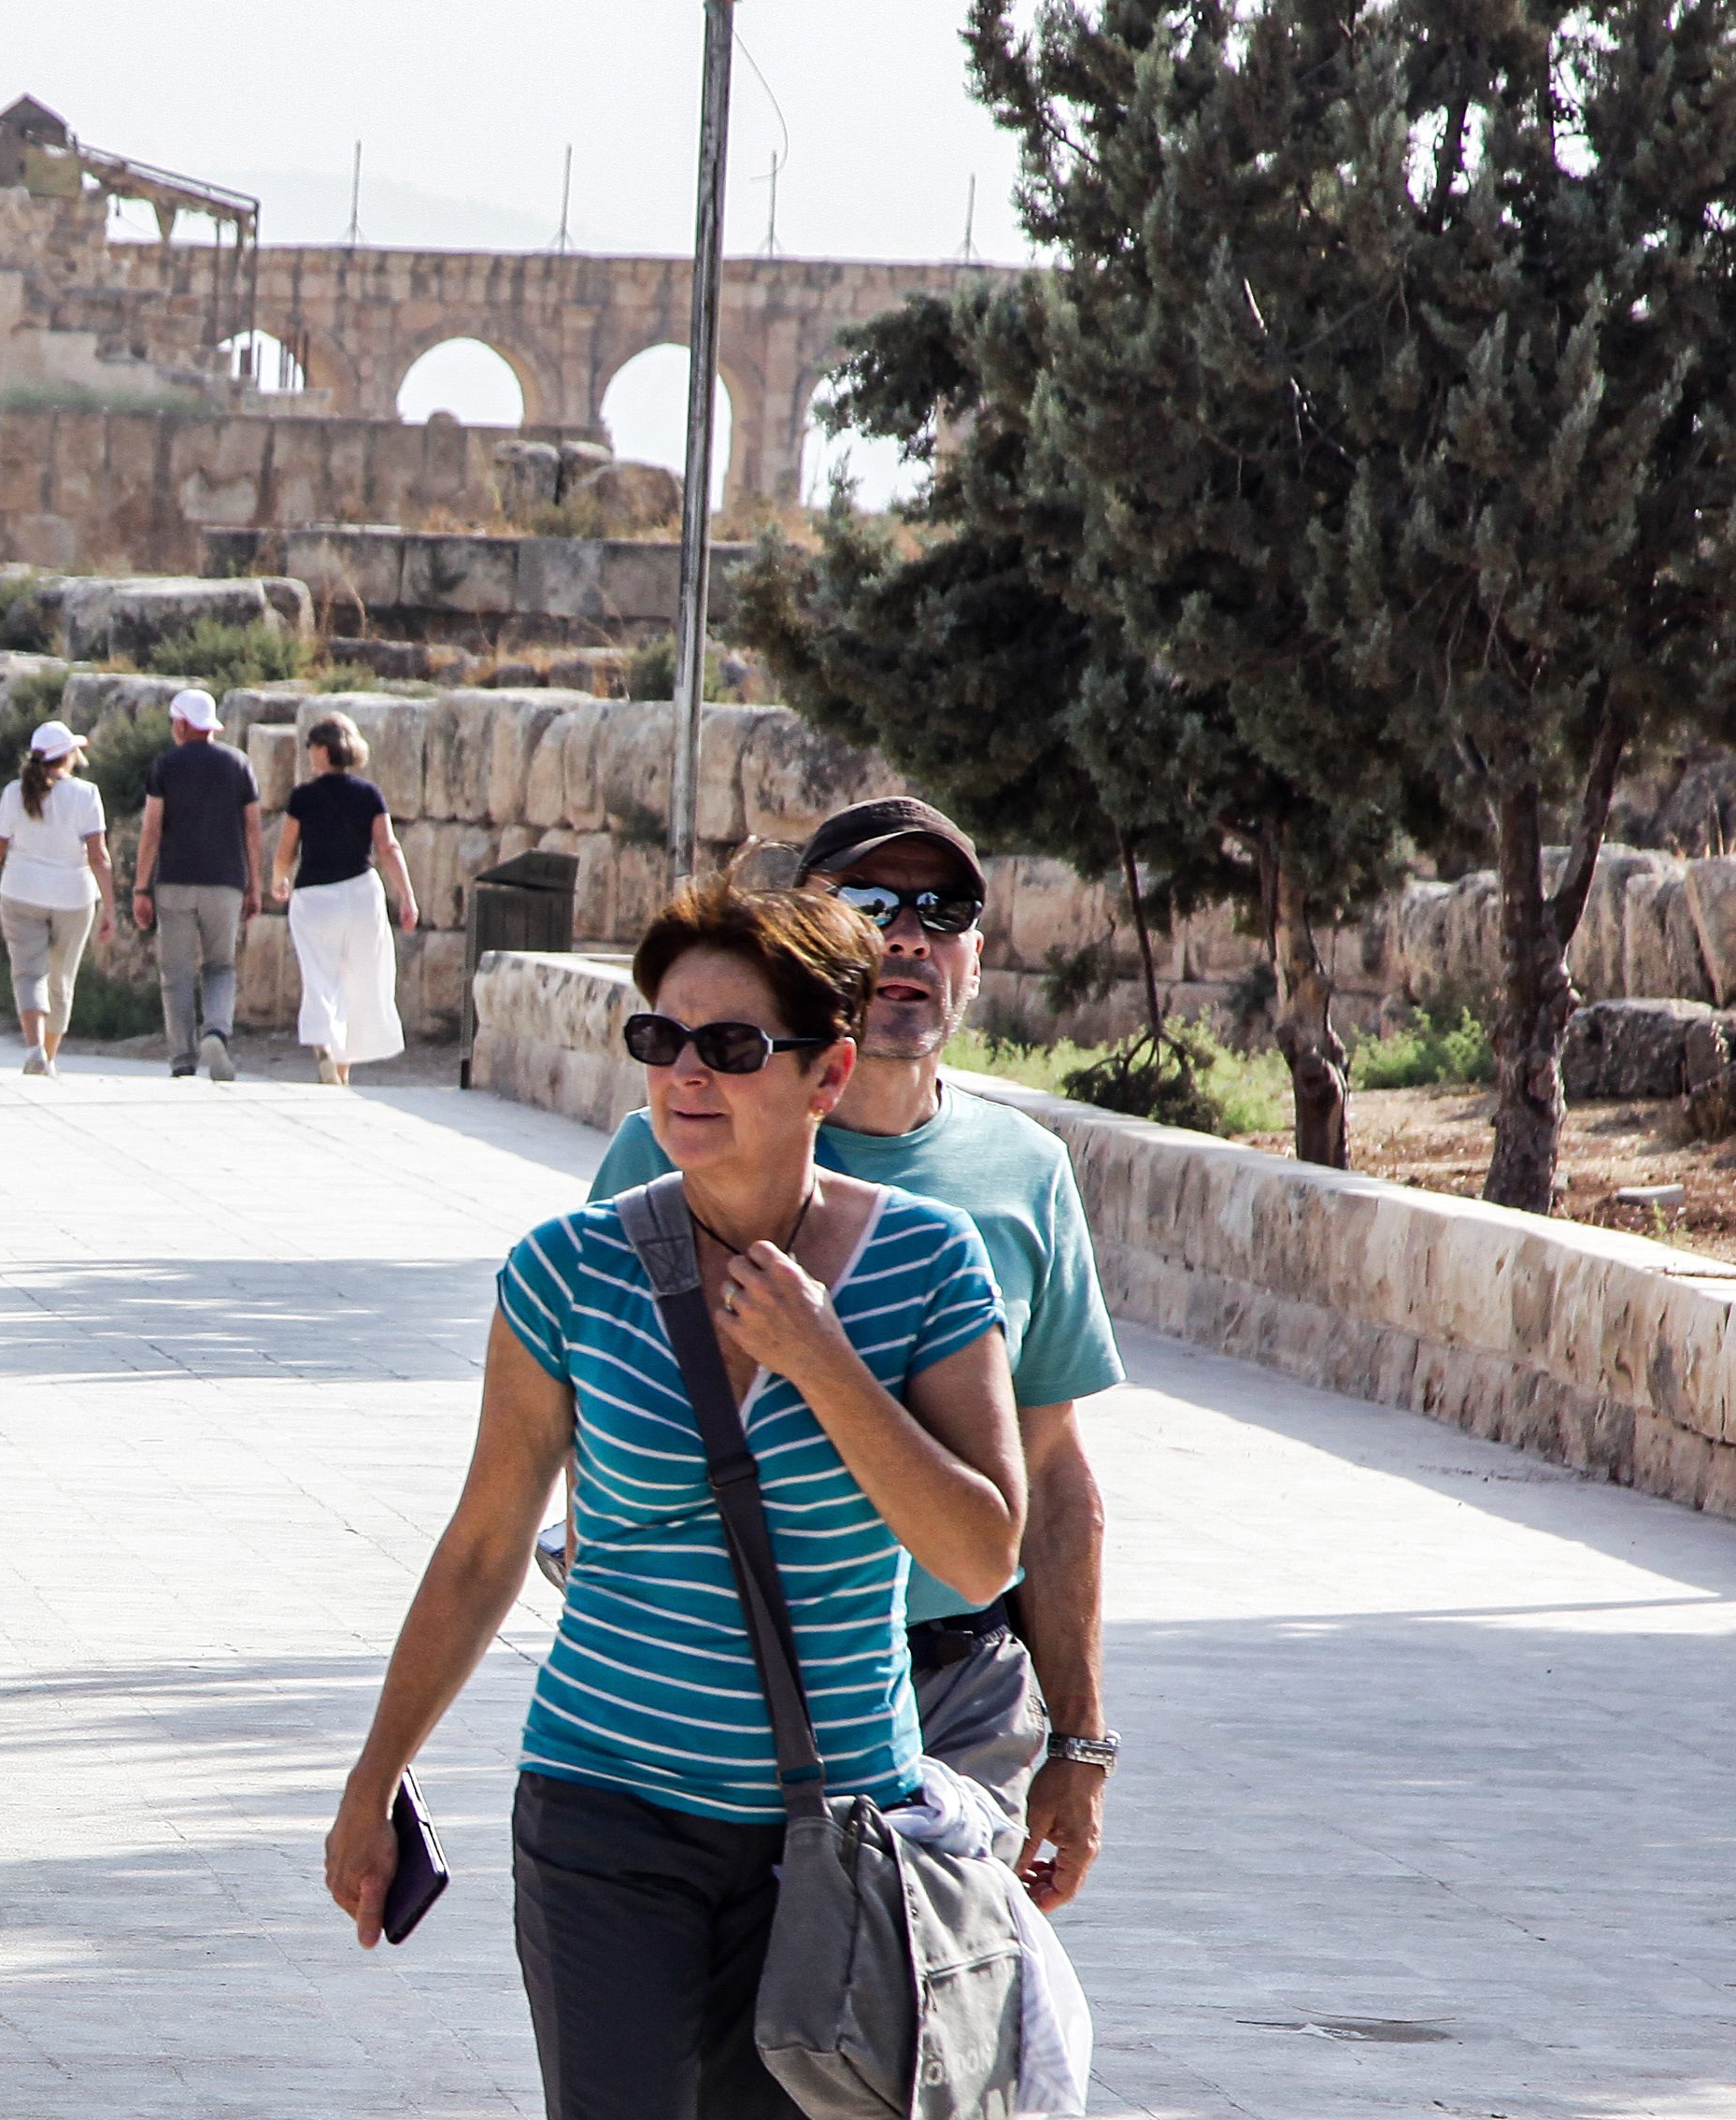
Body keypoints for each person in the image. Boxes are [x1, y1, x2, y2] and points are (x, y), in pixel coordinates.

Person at [324, 879, 1024, 2120]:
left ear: (827, 1072)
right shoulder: (567, 1269)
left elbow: (978, 1552)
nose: (684, 1071)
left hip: (834, 1841)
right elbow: (485, 1546)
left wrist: (822, 1359)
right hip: (603, 1813)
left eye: (730, 1044)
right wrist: (373, 1782)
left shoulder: (926, 1264)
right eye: (660, 1038)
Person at [583, 798, 1128, 1907]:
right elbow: (606, 1409)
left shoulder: (1024, 1171)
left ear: (975, 953)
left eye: (945, 909)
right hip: (734, 1674)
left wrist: (1080, 1742)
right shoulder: (671, 1144)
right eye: (872, 904)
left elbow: (1057, 1476)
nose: (908, 935)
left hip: (960, 1691)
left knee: (908, 2040)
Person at [261, 716, 411, 1086]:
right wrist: (406, 896)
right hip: (361, 893)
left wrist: (278, 880)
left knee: (319, 974)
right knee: (362, 976)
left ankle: (326, 1044)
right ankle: (344, 1068)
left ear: (322, 749)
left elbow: (286, 851)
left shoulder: (303, 796)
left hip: (315, 898)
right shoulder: (369, 794)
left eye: (312, 746)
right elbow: (387, 846)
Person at [131, 690, 263, 1081]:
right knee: (220, 966)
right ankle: (217, 1031)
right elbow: (253, 831)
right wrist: (255, 886)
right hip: (225, 883)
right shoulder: (239, 764)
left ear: (184, 724)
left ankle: (182, 1058)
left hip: (174, 882)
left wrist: (141, 887)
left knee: (176, 973)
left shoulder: (165, 766)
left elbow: (152, 830)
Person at [0, 719, 113, 1077]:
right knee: (61, 978)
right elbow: (98, 856)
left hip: (21, 892)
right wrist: (110, 906)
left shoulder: (13, 792)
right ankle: (49, 1056)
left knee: (28, 972)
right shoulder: (87, 794)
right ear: (68, 756)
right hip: (74, 896)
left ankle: (34, 1047)